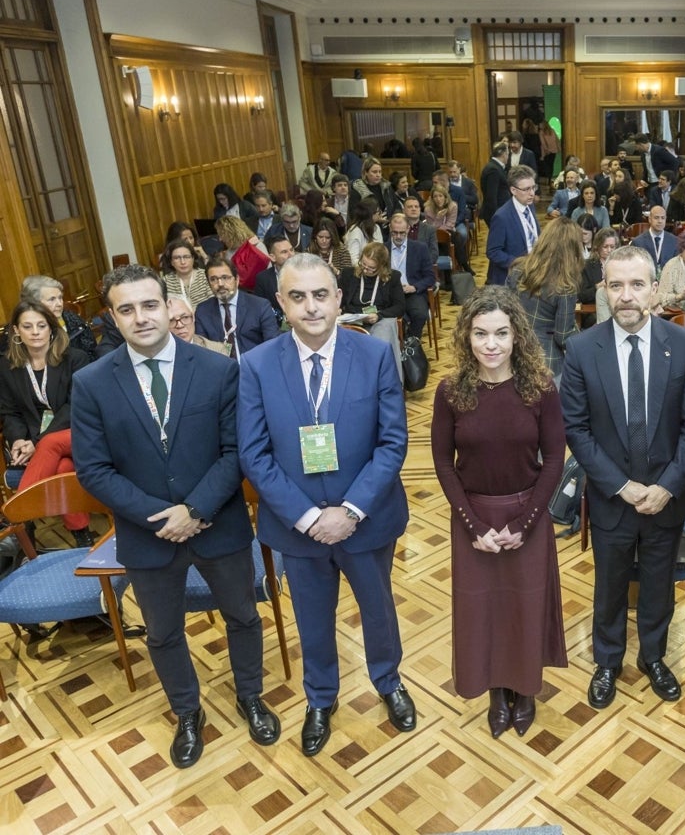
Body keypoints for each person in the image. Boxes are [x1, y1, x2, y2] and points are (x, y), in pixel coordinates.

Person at [72, 264, 277, 769]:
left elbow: (236, 452)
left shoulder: (218, 368)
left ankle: (250, 695)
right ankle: (187, 712)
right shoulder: (91, 382)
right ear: (112, 317)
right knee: (162, 633)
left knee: (243, 616)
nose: (140, 317)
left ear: (168, 307)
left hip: (218, 523)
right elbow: (93, 470)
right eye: (126, 309)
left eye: (148, 305)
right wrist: (163, 517)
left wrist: (196, 508)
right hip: (148, 536)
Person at [238, 253, 415, 756]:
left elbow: (392, 443)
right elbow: (254, 453)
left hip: (367, 519)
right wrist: (311, 517)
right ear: (281, 302)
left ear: (339, 298)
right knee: (312, 619)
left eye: (321, 295)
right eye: (298, 296)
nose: (311, 307)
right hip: (298, 527)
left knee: (378, 610)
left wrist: (350, 510)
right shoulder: (255, 365)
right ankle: (320, 698)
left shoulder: (376, 355)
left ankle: (388, 682)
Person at [559, 245, 685, 710]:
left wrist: (665, 487)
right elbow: (577, 431)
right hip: (611, 498)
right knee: (610, 585)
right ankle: (607, 661)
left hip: (667, 497)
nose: (627, 296)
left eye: (637, 284)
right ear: (604, 289)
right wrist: (621, 486)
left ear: (655, 289)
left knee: (659, 585)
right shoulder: (583, 348)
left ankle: (654, 657)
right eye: (616, 285)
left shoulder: (684, 344)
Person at [431, 287, 568, 738]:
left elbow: (554, 460)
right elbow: (443, 466)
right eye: (481, 333)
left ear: (517, 337)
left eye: (501, 333)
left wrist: (524, 523)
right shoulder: (451, 392)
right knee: (484, 613)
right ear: (467, 338)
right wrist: (473, 525)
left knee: (525, 610)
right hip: (473, 521)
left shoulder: (541, 388)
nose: (491, 344)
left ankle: (524, 690)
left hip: (527, 514)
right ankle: (495, 691)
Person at [0, 301, 92, 546]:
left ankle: (17, 517)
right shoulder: (8, 366)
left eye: (41, 325)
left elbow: (75, 408)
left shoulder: (75, 359)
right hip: (42, 444)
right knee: (62, 468)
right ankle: (81, 534)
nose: (35, 332)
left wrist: (36, 443)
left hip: (82, 433)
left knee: (50, 443)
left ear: (51, 328)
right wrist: (19, 440)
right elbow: (10, 412)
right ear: (16, 331)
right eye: (27, 326)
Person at [507, 217, 582, 377]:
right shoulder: (566, 285)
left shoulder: (518, 268)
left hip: (513, 354)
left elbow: (503, 310)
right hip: (547, 362)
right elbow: (563, 336)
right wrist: (582, 335)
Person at [339, 241, 407, 374]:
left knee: (382, 336)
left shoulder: (392, 278)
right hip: (352, 319)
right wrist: (338, 308)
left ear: (381, 267)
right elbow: (337, 298)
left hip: (379, 319)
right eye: (363, 264)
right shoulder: (348, 274)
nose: (365, 269)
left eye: (371, 268)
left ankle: (385, 379)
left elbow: (400, 307)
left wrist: (379, 315)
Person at [194, 255, 280, 358]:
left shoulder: (259, 306)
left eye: (225, 278)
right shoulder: (203, 310)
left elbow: (272, 345)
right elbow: (201, 350)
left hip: (254, 367)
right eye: (213, 279)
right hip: (221, 369)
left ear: (237, 279)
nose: (220, 284)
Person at [19, 274, 98, 363]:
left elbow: (92, 354)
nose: (60, 304)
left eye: (60, 298)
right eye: (52, 299)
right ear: (34, 303)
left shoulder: (73, 320)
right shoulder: (20, 330)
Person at [384, 212, 436, 341]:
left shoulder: (420, 248)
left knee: (420, 315)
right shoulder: (382, 249)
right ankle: (399, 343)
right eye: (395, 232)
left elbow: (430, 277)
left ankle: (411, 345)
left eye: (402, 233)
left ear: (408, 229)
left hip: (412, 292)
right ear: (390, 229)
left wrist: (414, 287)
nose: (398, 236)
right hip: (389, 294)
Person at [486, 165, 540, 286]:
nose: (532, 193)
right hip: (512, 278)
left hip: (534, 273)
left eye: (533, 187)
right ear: (513, 190)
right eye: (526, 189)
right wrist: (519, 263)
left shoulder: (530, 206)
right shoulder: (501, 217)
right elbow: (493, 252)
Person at [214, 216, 269, 291]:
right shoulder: (228, 252)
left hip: (261, 290)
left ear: (230, 233)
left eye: (221, 235)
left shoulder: (257, 246)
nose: (220, 239)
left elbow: (268, 271)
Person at [160, 239, 213, 310]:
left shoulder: (205, 276)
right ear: (171, 262)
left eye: (186, 257)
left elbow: (214, 304)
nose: (182, 262)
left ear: (193, 258)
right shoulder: (165, 282)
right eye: (177, 258)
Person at [584, 227, 620, 326]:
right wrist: (597, 287)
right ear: (598, 247)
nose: (609, 250)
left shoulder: (622, 265)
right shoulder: (587, 266)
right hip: (593, 312)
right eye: (605, 246)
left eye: (612, 247)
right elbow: (582, 295)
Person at [630, 206, 677, 274]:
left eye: (662, 218)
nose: (660, 221)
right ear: (650, 219)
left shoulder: (674, 241)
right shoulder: (637, 243)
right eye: (656, 217)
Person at [344, 197, 384, 266]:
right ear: (370, 214)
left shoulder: (376, 228)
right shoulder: (355, 231)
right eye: (378, 212)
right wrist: (368, 267)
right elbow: (353, 260)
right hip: (360, 270)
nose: (380, 214)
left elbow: (381, 251)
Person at [479, 141, 511, 226]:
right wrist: (496, 216)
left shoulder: (496, 167)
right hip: (497, 214)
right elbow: (491, 196)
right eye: (508, 154)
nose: (508, 156)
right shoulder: (493, 170)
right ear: (504, 154)